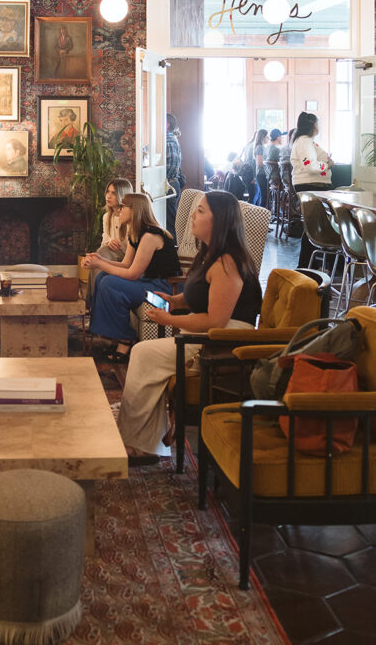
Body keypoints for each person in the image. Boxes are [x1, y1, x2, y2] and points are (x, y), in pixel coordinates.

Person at [117, 190, 262, 463]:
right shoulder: (211, 254)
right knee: (145, 354)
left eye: (201, 211)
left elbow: (214, 321)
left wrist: (169, 319)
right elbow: (201, 293)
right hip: (206, 334)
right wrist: (175, 299)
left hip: (222, 342)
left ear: (220, 222)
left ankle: (141, 444)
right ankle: (144, 438)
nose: (193, 216)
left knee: (142, 354)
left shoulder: (228, 262)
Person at [85, 193, 181, 362]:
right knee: (102, 278)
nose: (119, 211)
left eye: (123, 207)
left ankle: (125, 339)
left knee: (108, 282)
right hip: (147, 281)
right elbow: (125, 265)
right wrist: (99, 260)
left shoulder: (150, 236)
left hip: (164, 286)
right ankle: (113, 336)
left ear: (135, 210)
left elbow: (133, 274)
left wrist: (99, 265)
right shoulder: (135, 233)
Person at [291, 112, 334, 268]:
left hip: (312, 186)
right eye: (318, 123)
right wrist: (327, 165)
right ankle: (306, 264)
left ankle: (309, 264)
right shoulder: (304, 142)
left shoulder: (305, 142)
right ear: (313, 125)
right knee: (313, 226)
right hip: (312, 186)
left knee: (313, 225)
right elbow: (311, 166)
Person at [85, 178, 134, 301]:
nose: (108, 196)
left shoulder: (130, 217)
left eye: (114, 193)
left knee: (100, 255)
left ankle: (92, 301)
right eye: (108, 192)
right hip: (111, 255)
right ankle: (93, 300)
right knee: (97, 255)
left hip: (128, 257)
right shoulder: (106, 217)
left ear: (122, 195)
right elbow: (104, 243)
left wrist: (118, 244)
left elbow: (133, 246)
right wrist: (109, 242)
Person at [165, 113, 183, 239]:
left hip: (169, 184)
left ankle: (174, 251)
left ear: (167, 125)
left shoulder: (169, 141)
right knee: (169, 220)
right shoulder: (168, 140)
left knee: (170, 222)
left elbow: (170, 167)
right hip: (171, 183)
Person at [253, 128, 269, 207]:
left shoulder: (260, 147)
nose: (268, 139)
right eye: (267, 137)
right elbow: (260, 163)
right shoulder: (260, 147)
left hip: (261, 174)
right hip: (262, 174)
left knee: (264, 196)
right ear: (263, 137)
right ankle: (262, 216)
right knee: (264, 196)